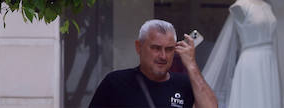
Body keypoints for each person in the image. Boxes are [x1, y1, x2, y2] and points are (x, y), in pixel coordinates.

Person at [88, 19, 218, 108]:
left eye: (169, 49)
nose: (163, 56)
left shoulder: (184, 83)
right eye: (156, 48)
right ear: (139, 47)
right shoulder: (115, 82)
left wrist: (191, 65)